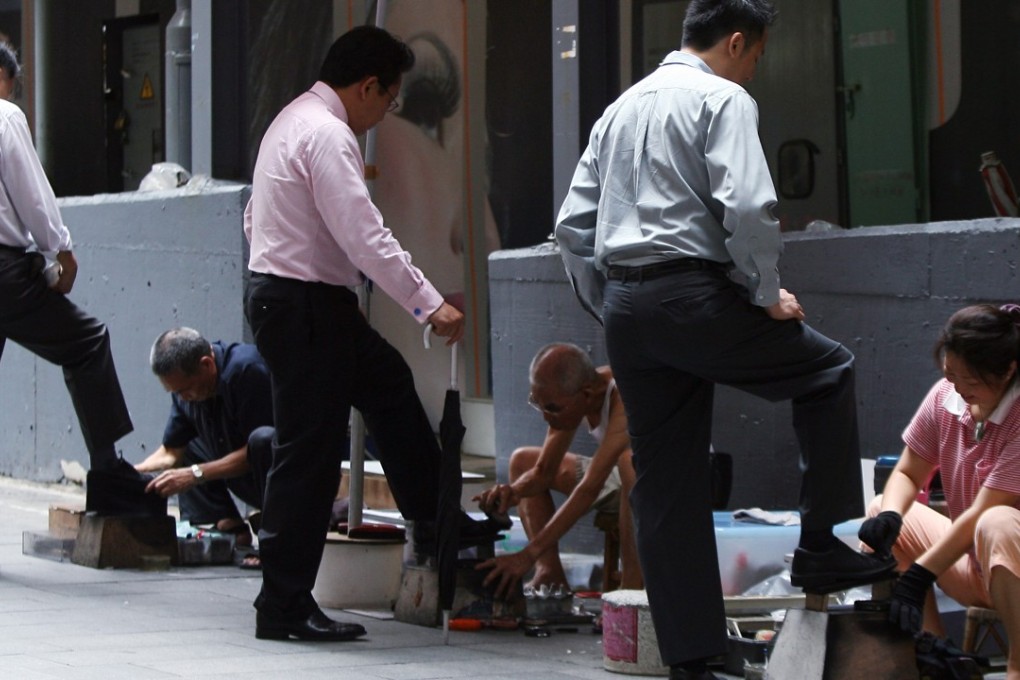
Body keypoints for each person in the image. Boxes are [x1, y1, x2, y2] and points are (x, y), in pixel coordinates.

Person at [553, 2, 894, 677]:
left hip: (626, 304)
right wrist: (766, 294)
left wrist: (616, 309)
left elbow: (571, 226)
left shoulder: (619, 109)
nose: (755, 69)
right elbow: (747, 207)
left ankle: (694, 656)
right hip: (693, 294)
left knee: (666, 480)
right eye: (758, 54)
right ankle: (823, 547)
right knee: (827, 372)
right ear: (738, 41)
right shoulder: (722, 97)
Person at [244, 25, 492, 642]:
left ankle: (436, 521)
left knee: (387, 384)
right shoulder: (326, 134)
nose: (386, 112)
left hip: (304, 300)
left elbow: (258, 215)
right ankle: (282, 605)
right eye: (391, 99)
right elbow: (364, 232)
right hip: (304, 305)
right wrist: (428, 303)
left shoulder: (292, 121)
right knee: (309, 453)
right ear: (368, 85)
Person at [0, 41, 148, 514]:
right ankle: (108, 474)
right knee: (86, 343)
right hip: (4, 274)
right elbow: (31, 193)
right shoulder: (5, 117)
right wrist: (60, 247)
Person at [860, 304, 1020, 680]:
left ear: (1009, 371)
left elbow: (984, 511)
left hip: (1011, 558)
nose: (959, 389)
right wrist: (891, 517)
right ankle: (933, 656)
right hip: (978, 569)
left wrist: (919, 575)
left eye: (973, 382)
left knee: (998, 523)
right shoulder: (946, 396)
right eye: (951, 375)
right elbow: (907, 471)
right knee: (881, 505)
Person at [475, 342, 642, 595]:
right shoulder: (573, 391)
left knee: (630, 464)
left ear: (586, 395)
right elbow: (542, 472)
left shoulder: (626, 395)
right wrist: (513, 491)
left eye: (551, 408)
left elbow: (589, 488)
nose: (545, 417)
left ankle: (631, 591)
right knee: (523, 462)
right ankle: (549, 575)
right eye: (537, 404)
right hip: (618, 474)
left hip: (673, 481)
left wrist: (527, 554)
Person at [135, 328, 272, 564]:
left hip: (281, 476)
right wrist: (128, 475)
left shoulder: (246, 371)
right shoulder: (185, 391)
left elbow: (261, 448)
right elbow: (171, 452)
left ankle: (277, 541)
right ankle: (227, 524)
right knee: (189, 448)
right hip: (239, 468)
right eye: (175, 392)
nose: (182, 397)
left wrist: (195, 474)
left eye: (185, 389)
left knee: (264, 440)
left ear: (207, 364)